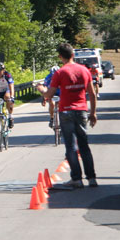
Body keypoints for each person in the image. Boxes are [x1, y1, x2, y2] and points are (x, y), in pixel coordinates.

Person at [37, 43, 98, 189]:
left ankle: (76, 179)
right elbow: (92, 93)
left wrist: (40, 89)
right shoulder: (84, 70)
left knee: (71, 146)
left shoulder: (60, 73)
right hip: (82, 110)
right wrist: (93, 113)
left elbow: (49, 94)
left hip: (66, 112)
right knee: (84, 146)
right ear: (73, 55)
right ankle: (92, 178)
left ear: (60, 57)